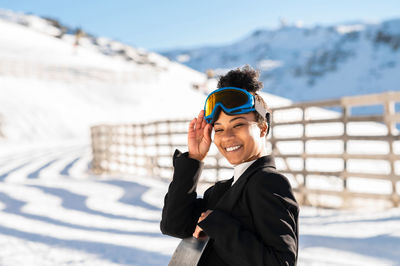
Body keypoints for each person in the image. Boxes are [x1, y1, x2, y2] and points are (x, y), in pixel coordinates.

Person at [160, 65, 299, 266]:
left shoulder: (268, 182)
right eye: (219, 129)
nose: (227, 137)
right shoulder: (220, 191)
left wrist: (218, 225)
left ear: (262, 127)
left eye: (238, 124)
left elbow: (280, 263)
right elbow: (174, 225)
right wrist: (194, 159)